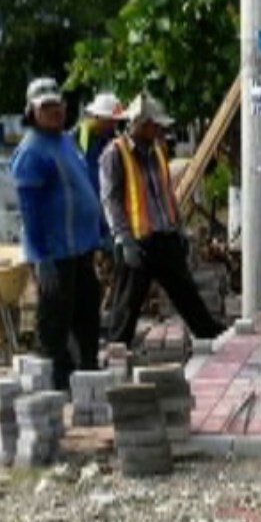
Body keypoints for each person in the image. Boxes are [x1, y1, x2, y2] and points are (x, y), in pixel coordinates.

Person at [99, 91, 225, 346]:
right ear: (141, 124)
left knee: (186, 294)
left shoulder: (157, 150)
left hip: (164, 237)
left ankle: (211, 336)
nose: (158, 130)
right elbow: (111, 200)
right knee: (127, 304)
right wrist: (123, 238)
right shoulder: (115, 153)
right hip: (137, 241)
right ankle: (116, 351)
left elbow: (167, 194)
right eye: (154, 125)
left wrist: (178, 229)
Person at [9, 77, 104, 391]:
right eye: (45, 107)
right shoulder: (31, 152)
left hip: (81, 249)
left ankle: (87, 374)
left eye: (57, 105)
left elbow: (85, 186)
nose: (54, 112)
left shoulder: (66, 141)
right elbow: (29, 209)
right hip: (56, 253)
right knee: (54, 322)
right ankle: (57, 386)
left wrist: (100, 233)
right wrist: (40, 256)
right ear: (32, 112)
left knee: (87, 312)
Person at [74, 92, 128, 318]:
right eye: (111, 120)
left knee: (114, 268)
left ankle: (106, 315)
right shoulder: (78, 139)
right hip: (85, 218)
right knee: (91, 274)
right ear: (99, 117)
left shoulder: (110, 140)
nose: (115, 124)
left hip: (105, 217)